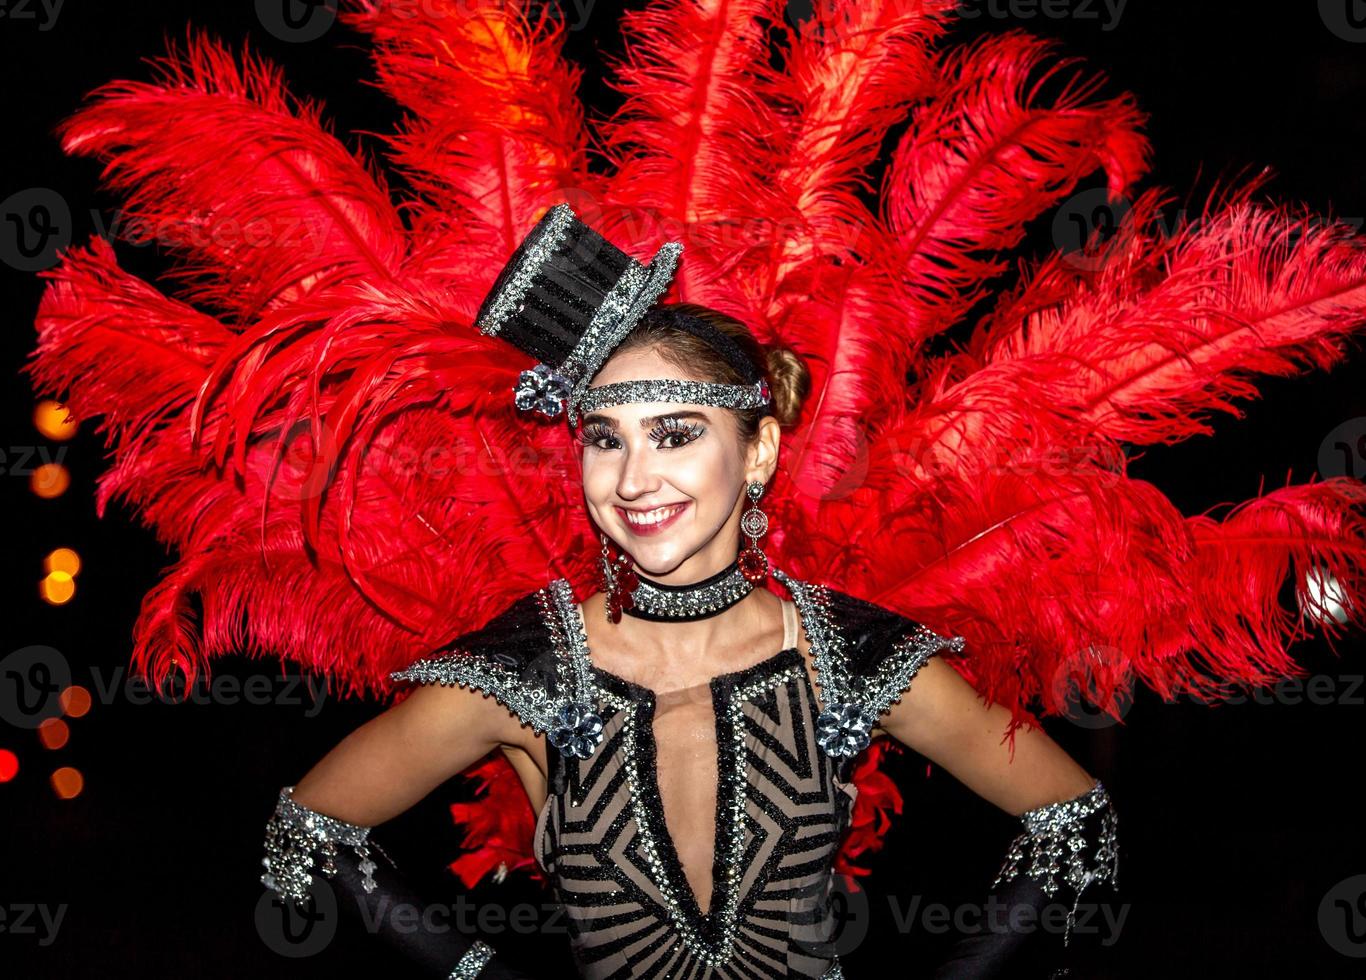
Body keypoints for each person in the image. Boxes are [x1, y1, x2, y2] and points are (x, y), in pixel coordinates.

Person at [259, 206, 1120, 979]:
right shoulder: (527, 671)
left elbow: (1073, 817)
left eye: (674, 436)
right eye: (604, 438)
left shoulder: (846, 657)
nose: (634, 480)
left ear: (758, 452)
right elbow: (310, 829)